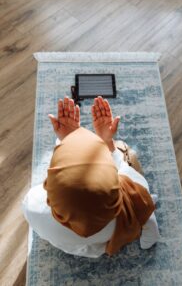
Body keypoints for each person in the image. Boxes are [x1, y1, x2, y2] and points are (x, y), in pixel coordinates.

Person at [21, 95, 159, 258]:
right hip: (108, 236)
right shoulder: (129, 206)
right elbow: (150, 227)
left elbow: (67, 181)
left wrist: (67, 140)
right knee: (124, 149)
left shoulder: (34, 207)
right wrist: (107, 142)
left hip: (68, 243)